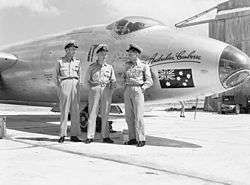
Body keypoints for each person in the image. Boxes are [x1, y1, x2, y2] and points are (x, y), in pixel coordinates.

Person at [85, 44, 116, 144]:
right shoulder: (92, 67)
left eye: (105, 54)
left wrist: (110, 91)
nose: (103, 55)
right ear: (97, 55)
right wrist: (93, 89)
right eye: (101, 53)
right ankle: (90, 136)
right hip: (95, 89)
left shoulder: (110, 67)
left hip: (106, 90)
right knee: (92, 113)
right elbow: (86, 81)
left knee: (105, 114)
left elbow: (113, 81)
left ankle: (105, 136)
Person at [123, 44, 153, 147]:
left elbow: (149, 81)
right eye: (129, 53)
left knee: (139, 116)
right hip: (128, 90)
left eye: (131, 53)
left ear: (136, 54)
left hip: (137, 89)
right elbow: (124, 77)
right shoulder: (127, 65)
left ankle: (141, 138)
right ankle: (132, 138)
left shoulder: (144, 65)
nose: (129, 54)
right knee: (129, 116)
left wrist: (142, 88)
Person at [55, 41, 82, 143]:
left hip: (75, 84)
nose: (73, 51)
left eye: (74, 49)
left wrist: (78, 86)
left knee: (75, 111)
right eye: (71, 49)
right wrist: (60, 87)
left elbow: (80, 75)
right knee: (64, 110)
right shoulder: (60, 62)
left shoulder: (77, 62)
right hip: (65, 83)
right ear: (66, 50)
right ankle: (62, 135)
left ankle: (74, 135)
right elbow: (55, 76)